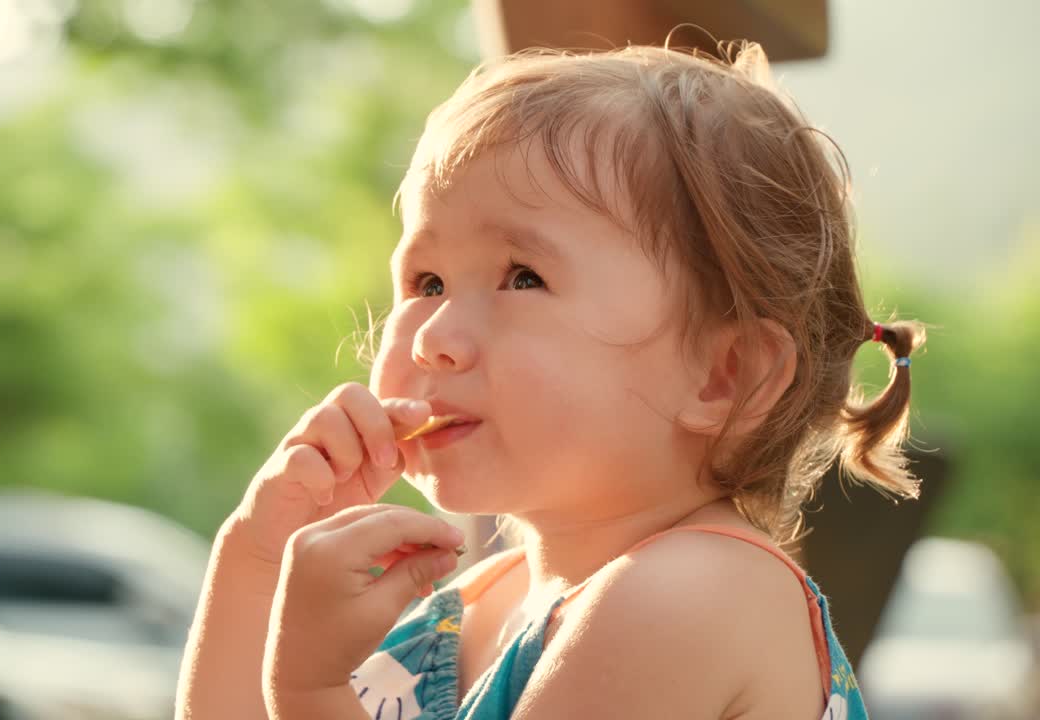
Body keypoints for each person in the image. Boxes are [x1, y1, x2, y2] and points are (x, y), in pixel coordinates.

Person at [177, 40, 927, 720]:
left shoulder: (692, 595)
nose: (432, 338)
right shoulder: (474, 606)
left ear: (723, 376)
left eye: (522, 277)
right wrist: (257, 556)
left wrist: (311, 694)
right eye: (428, 282)